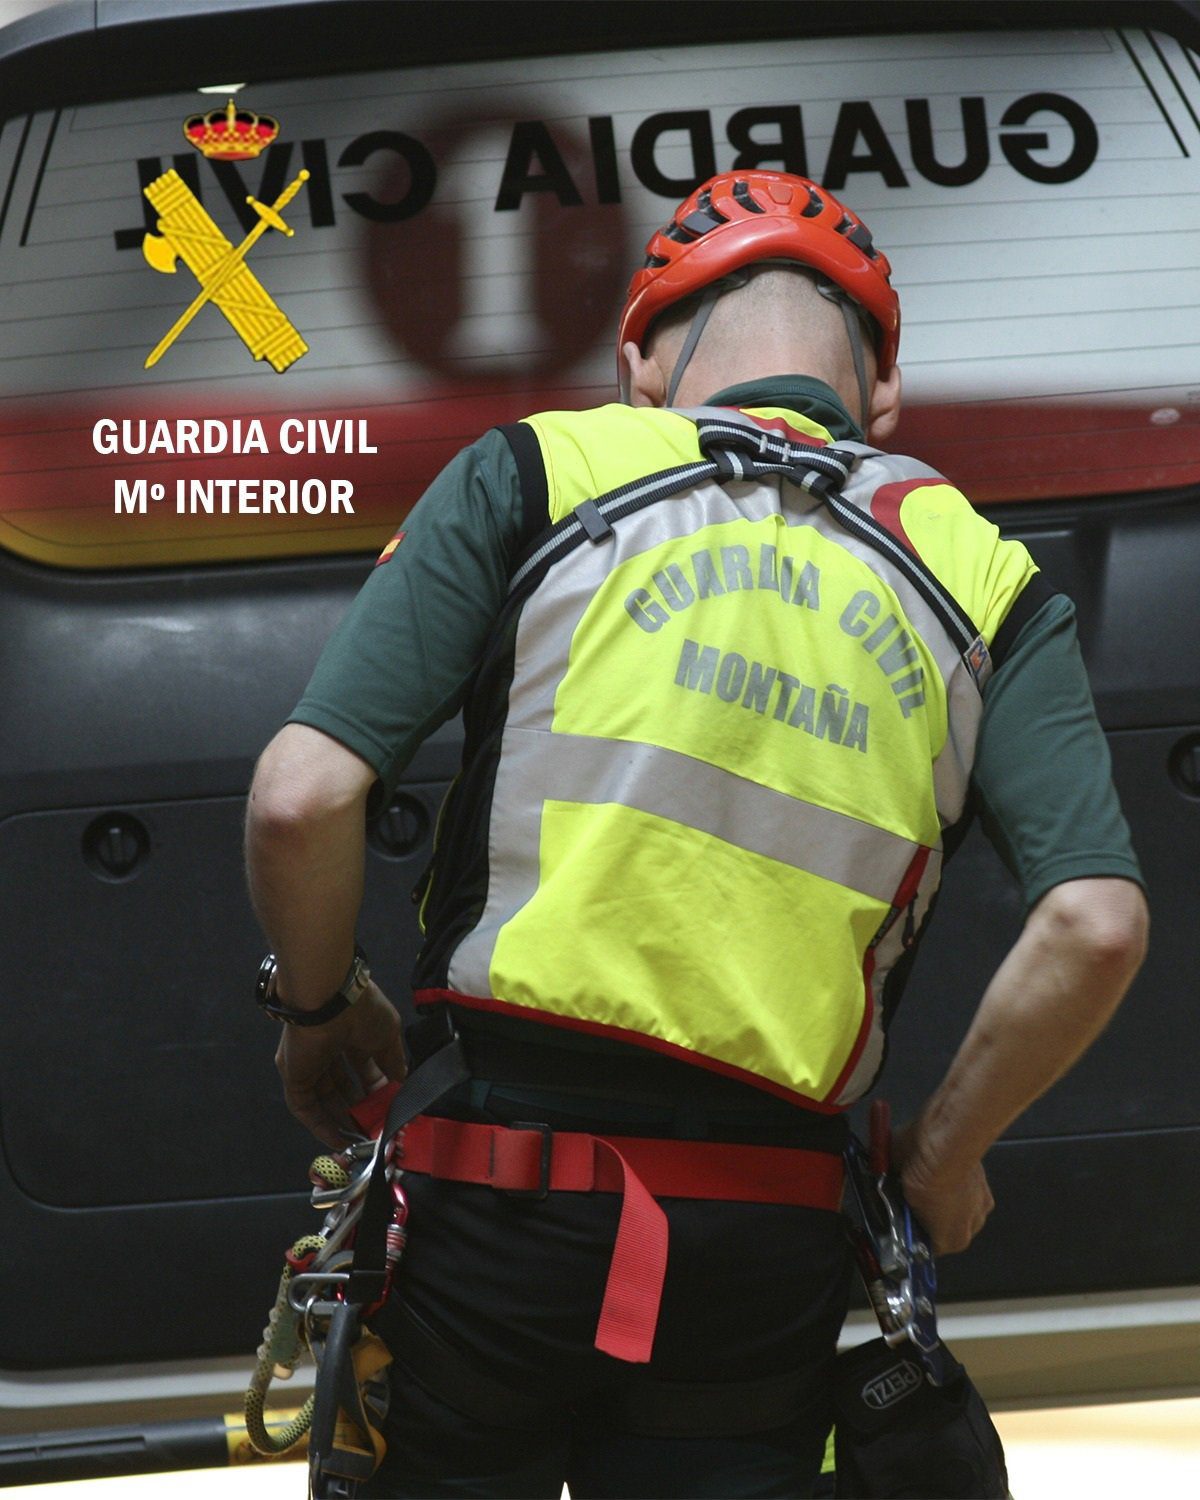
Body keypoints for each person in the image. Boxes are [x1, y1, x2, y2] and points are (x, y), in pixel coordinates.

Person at [245, 170, 1148, 1498]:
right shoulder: (981, 580)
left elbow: (301, 797)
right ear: (880, 391)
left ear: (640, 363)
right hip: (760, 1243)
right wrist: (943, 1165)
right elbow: (1095, 920)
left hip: (497, 1203)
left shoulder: (542, 471)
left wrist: (318, 1012)